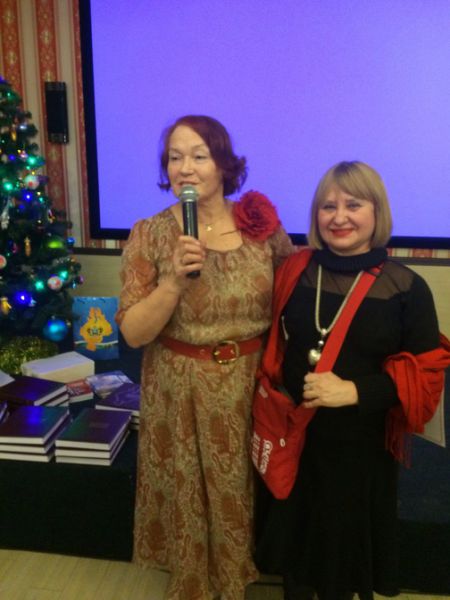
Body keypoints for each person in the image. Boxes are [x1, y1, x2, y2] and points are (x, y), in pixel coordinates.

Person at [115, 114, 295, 600]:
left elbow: (291, 295)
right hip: (179, 387)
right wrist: (173, 282)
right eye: (175, 157)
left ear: (224, 165)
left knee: (239, 487)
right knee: (188, 491)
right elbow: (133, 333)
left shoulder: (261, 226)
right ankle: (194, 584)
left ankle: (235, 580)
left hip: (248, 386)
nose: (185, 168)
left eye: (199, 155)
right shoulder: (150, 234)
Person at [254, 161, 450, 600]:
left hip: (360, 450)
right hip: (296, 436)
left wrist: (355, 391)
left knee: (341, 561)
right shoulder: (294, 270)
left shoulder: (406, 287)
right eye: (328, 206)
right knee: (296, 556)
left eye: (353, 204)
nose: (339, 217)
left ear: (377, 212)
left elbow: (428, 376)